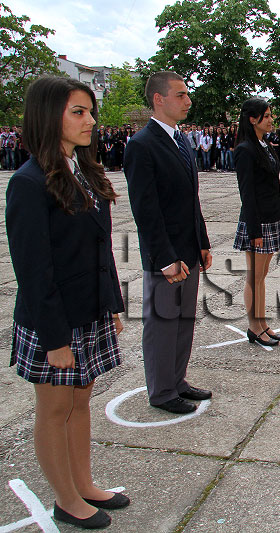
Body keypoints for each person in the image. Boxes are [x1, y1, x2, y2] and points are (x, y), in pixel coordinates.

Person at [6, 76, 130, 529]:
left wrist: (111, 305)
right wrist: (55, 340)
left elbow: (100, 249)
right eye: (78, 111)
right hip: (53, 321)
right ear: (48, 115)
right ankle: (65, 499)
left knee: (81, 403)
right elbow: (34, 273)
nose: (91, 121)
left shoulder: (83, 169)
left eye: (90, 111)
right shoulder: (28, 183)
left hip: (89, 309)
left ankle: (85, 483)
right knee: (55, 410)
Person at [124, 71, 213, 415]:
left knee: (184, 321)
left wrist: (201, 241)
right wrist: (164, 257)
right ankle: (161, 391)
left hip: (188, 249)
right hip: (166, 256)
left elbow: (191, 199)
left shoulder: (182, 140)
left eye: (187, 94)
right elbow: (146, 210)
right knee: (162, 323)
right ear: (158, 99)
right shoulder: (142, 145)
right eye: (180, 95)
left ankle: (176, 380)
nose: (188, 101)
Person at [233, 98, 280, 347]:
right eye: (266, 116)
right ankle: (254, 326)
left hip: (271, 219)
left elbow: (274, 187)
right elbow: (247, 194)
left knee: (262, 275)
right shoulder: (245, 149)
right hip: (257, 223)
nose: (271, 119)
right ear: (253, 119)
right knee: (254, 276)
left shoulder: (264, 145)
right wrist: (254, 230)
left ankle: (262, 322)